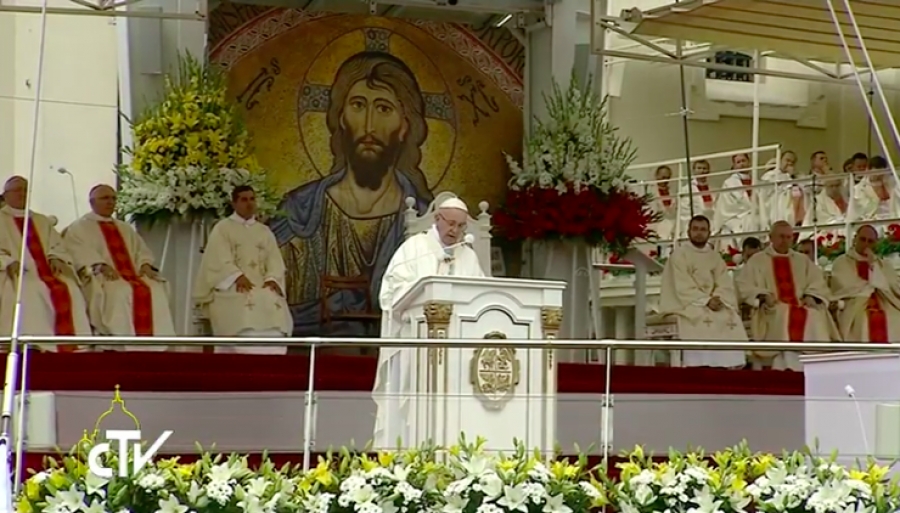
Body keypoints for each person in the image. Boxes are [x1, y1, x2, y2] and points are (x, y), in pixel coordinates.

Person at [270, 51, 433, 336]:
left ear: (405, 125)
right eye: (358, 105)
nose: (369, 126)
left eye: (383, 109)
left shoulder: (425, 221)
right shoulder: (299, 213)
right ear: (341, 118)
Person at [372, 196, 484, 450]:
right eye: (450, 223)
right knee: (413, 404)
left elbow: (480, 296)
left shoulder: (468, 255)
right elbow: (389, 294)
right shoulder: (414, 249)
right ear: (437, 219)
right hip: (415, 342)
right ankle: (408, 448)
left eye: (461, 226)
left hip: (457, 347)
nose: (455, 231)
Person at [63, 185, 175, 348]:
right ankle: (118, 341)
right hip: (102, 275)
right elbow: (78, 252)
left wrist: (145, 264)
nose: (110, 202)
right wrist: (99, 265)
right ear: (92, 202)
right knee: (119, 291)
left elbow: (141, 250)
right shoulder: (79, 228)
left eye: (113, 198)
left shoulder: (124, 227)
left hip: (133, 275)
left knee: (155, 288)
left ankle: (154, 343)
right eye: (105, 198)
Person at [194, 185, 292, 353]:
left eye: (252, 199)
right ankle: (243, 353)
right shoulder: (223, 228)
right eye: (244, 200)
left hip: (262, 284)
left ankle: (273, 353)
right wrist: (236, 276)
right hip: (233, 285)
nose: (249, 204)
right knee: (244, 300)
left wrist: (272, 279)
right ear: (234, 203)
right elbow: (218, 259)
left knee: (270, 298)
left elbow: (275, 260)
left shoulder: (264, 231)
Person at [0, 176, 91, 351]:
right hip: (17, 273)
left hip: (47, 272)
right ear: (6, 195)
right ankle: (31, 342)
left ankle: (72, 343)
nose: (22, 194)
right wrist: (8, 262)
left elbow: (56, 244)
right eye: (17, 190)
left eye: (26, 190)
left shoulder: (41, 220)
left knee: (69, 287)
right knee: (29, 291)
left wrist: (56, 257)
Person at [737, 221, 840, 370]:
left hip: (801, 304)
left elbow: (818, 282)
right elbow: (744, 285)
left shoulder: (802, 260)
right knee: (784, 313)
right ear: (771, 237)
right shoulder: (758, 260)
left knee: (814, 315)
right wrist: (762, 296)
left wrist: (811, 295)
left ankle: (811, 366)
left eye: (788, 237)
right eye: (780, 236)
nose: (784, 240)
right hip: (772, 308)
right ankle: (782, 366)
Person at [658, 215, 747, 368]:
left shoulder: (715, 256)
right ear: (688, 232)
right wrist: (706, 300)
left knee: (729, 316)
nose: (699, 233)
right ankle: (698, 366)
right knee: (699, 318)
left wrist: (718, 298)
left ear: (709, 233)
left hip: (713, 302)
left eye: (703, 230)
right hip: (688, 304)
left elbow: (724, 282)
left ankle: (727, 367)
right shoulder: (679, 255)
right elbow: (682, 285)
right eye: (695, 229)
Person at [831, 225, 900, 342]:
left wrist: (874, 266)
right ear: (855, 240)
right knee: (862, 320)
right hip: (854, 304)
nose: (866, 244)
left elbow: (893, 287)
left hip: (884, 301)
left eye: (871, 241)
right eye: (863, 239)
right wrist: (872, 285)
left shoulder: (883, 264)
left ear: (876, 244)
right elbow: (844, 287)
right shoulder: (842, 262)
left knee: (895, 318)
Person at [715, 153, 757, 246]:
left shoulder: (756, 180)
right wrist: (747, 211)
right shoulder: (729, 183)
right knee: (749, 222)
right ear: (734, 165)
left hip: (755, 214)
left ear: (749, 162)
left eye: (743, 161)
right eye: (738, 162)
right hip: (736, 216)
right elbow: (727, 204)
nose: (741, 164)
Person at [678, 160, 716, 233]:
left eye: (704, 168)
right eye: (699, 168)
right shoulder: (686, 189)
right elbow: (684, 211)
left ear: (708, 171)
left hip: (712, 224)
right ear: (693, 170)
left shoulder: (713, 190)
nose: (702, 171)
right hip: (695, 224)